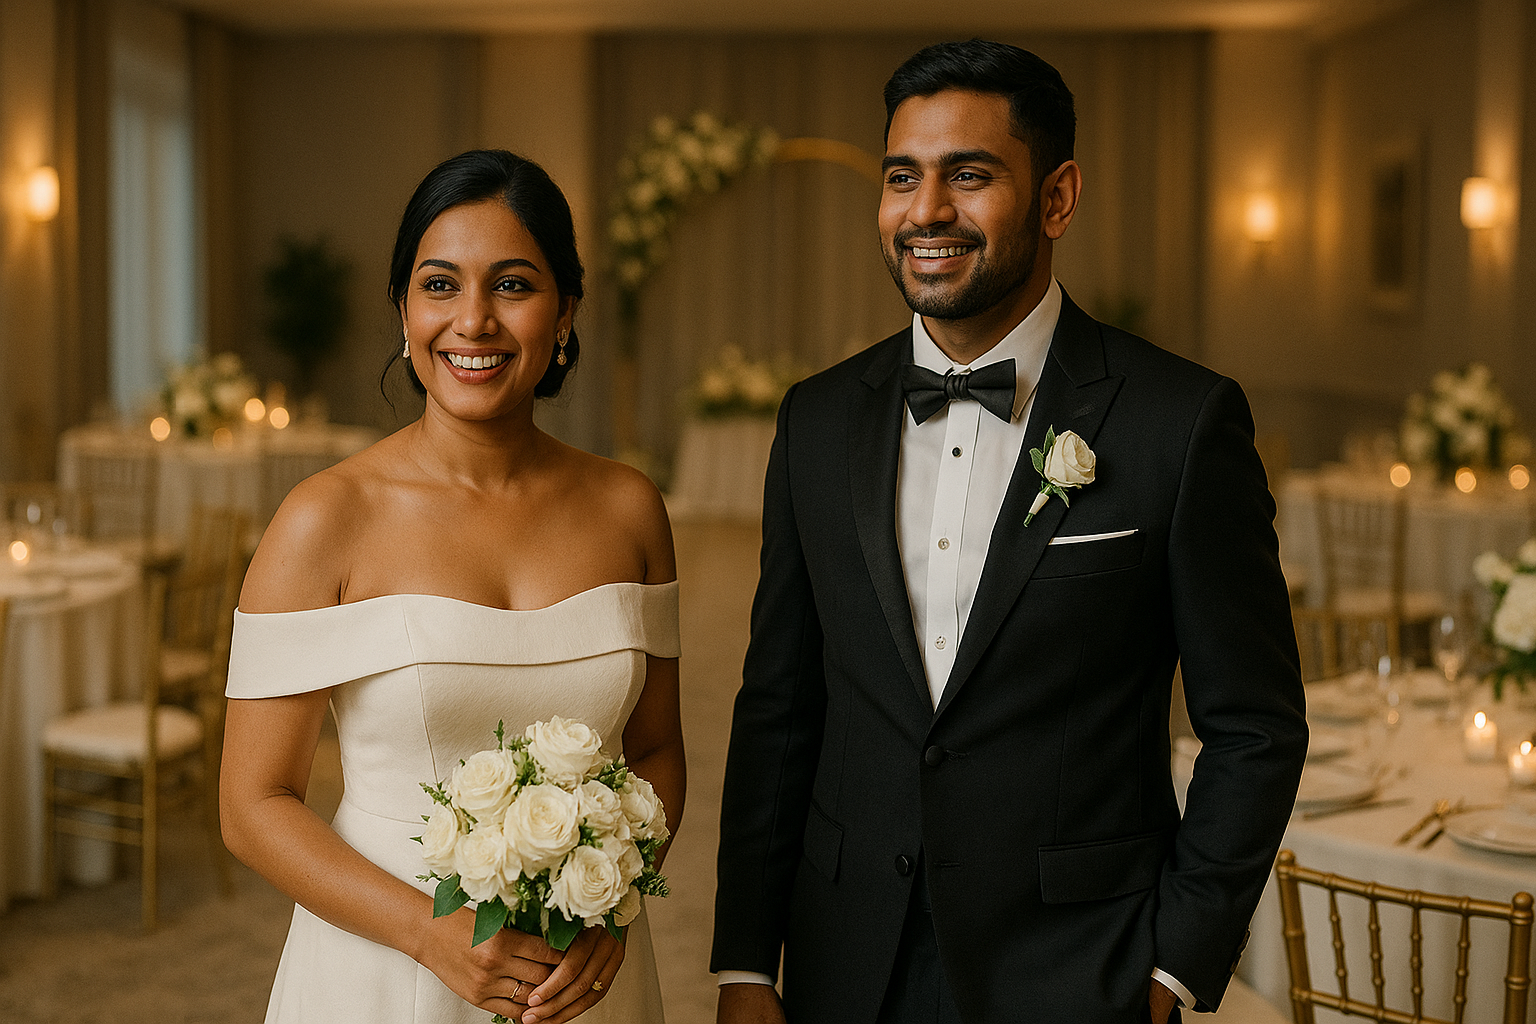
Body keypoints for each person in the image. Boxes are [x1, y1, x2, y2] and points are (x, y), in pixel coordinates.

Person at [711, 39, 1306, 1024]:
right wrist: (743, 959)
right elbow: (781, 704)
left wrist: (1173, 968)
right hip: (845, 960)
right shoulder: (814, 421)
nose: (927, 211)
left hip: (1080, 969)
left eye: (970, 175)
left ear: (1059, 197)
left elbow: (1255, 725)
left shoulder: (1179, 422)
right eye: (903, 177)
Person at [221, 149, 684, 1024]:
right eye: (440, 286)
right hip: (385, 972)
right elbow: (251, 807)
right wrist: (426, 933)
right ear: (403, 310)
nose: (474, 321)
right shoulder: (324, 518)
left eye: (513, 285)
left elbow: (657, 752)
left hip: (578, 977)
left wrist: (613, 906)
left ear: (565, 313)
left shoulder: (630, 510)